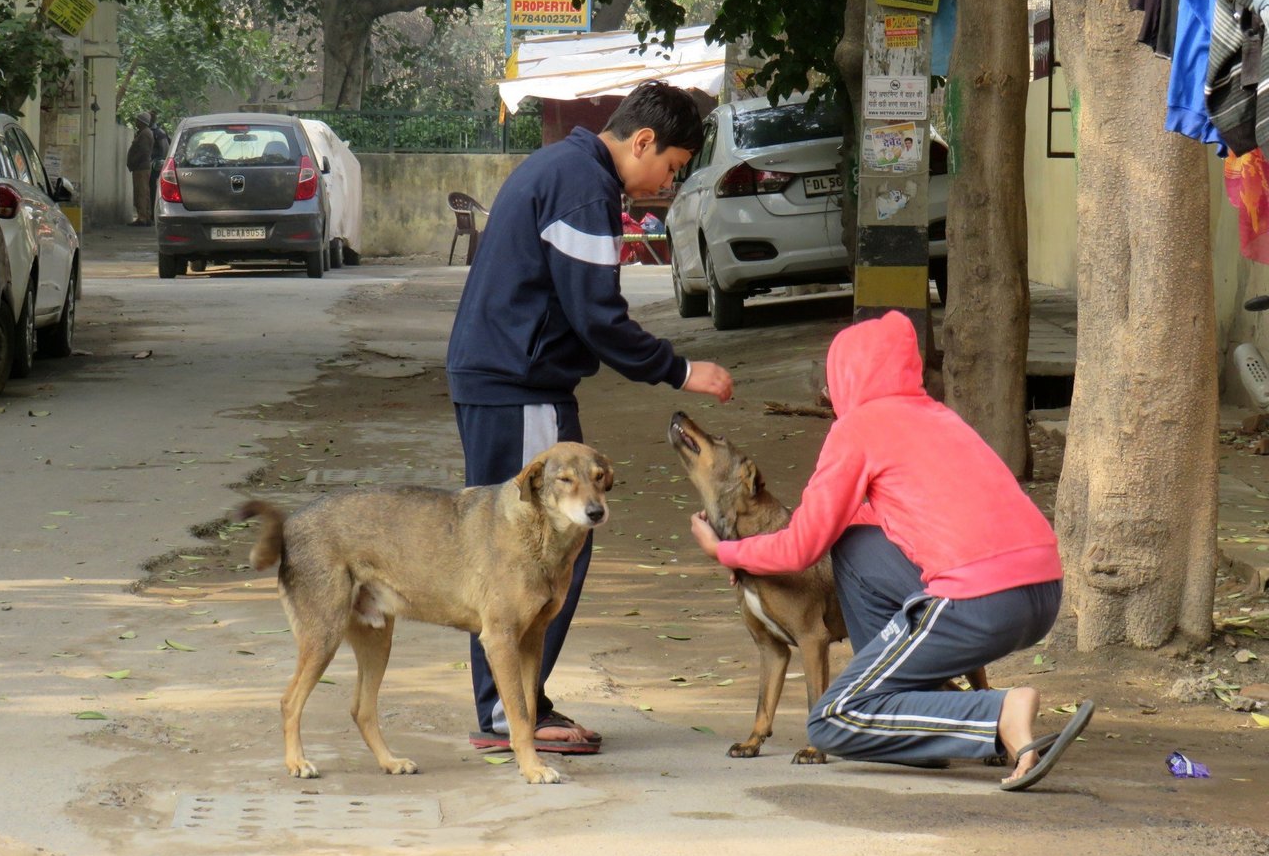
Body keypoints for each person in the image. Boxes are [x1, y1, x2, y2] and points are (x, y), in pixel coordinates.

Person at [689, 311, 1093, 792]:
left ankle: (998, 712)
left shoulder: (856, 429)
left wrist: (727, 551)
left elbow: (803, 547)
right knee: (852, 540)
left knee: (832, 719)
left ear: (846, 377)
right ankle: (924, 718)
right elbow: (871, 522)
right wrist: (760, 551)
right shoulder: (940, 418)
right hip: (1042, 592)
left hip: (978, 603)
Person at [447, 80, 734, 754]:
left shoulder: (562, 167)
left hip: (503, 378)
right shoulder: (583, 185)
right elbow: (598, 318)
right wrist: (682, 371)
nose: (660, 184)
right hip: (520, 385)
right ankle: (508, 713)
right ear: (641, 141)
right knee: (541, 548)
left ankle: (512, 705)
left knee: (520, 547)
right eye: (668, 167)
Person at [126, 112, 154, 225]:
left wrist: (133, 162)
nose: (136, 122)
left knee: (141, 192)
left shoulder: (145, 134)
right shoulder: (144, 133)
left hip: (141, 167)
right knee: (143, 192)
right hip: (141, 167)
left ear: (142, 122)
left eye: (137, 120)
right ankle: (145, 216)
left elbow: (143, 151)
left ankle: (142, 217)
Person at [148, 112, 171, 204]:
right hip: (148, 166)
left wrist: (159, 163)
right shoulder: (148, 131)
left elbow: (166, 150)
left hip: (155, 167)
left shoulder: (159, 133)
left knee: (153, 188)